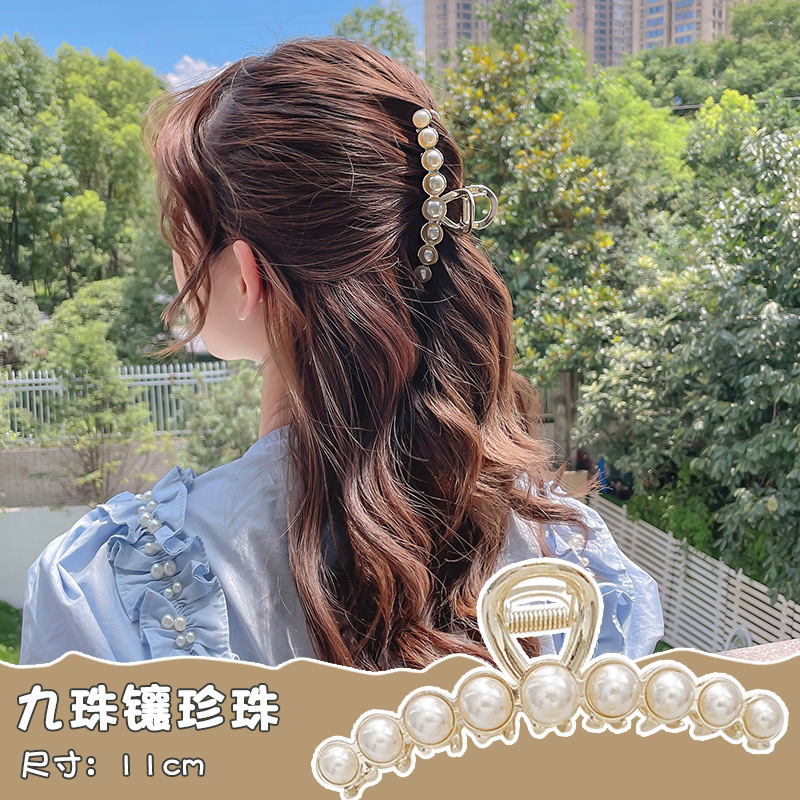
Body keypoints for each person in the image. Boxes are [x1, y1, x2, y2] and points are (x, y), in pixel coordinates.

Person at [19, 36, 663, 670]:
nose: (176, 261)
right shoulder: (570, 556)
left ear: (246, 278)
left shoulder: (109, 590)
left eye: (182, 232)